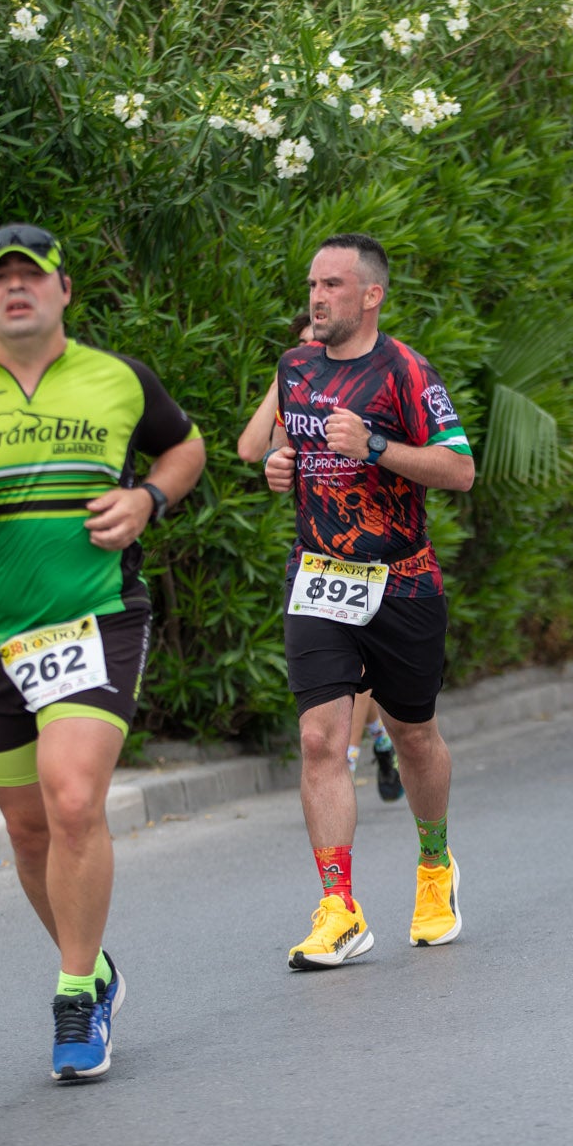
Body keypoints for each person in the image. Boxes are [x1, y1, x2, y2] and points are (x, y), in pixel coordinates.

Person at [0, 223, 205, 1080]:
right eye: (1, 278)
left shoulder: (118, 378)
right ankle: (96, 966)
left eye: (32, 276)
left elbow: (187, 445)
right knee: (28, 829)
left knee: (71, 801)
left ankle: (73, 996)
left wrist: (147, 499)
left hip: (96, 617)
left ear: (64, 290)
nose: (15, 288)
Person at [263, 233, 474, 968]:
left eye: (332, 285)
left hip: (402, 580)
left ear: (371, 295)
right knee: (322, 739)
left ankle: (434, 864)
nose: (317, 297)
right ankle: (337, 906)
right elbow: (285, 451)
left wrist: (377, 447)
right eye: (312, 284)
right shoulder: (294, 368)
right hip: (319, 576)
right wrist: (278, 466)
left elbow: (460, 469)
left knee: (414, 735)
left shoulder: (408, 371)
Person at [240, 313, 403, 803]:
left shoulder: (374, 383)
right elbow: (254, 450)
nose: (312, 351)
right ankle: (377, 741)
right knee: (346, 664)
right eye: (303, 346)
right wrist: (282, 378)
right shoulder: (297, 389)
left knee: (360, 664)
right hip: (316, 551)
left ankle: (349, 759)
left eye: (317, 343)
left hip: (375, 547)